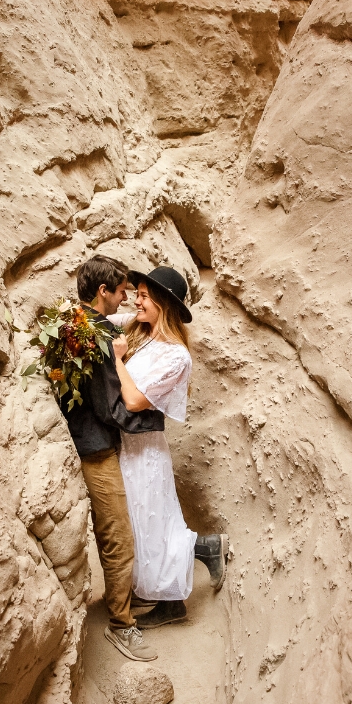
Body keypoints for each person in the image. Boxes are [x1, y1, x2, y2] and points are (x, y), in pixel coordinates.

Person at [109, 266, 227, 630]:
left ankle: (177, 596)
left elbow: (133, 400)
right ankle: (194, 562)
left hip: (145, 451)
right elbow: (102, 317)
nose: (136, 300)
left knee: (153, 526)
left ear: (162, 304)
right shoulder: (141, 332)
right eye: (138, 294)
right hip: (126, 446)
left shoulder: (176, 357)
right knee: (141, 526)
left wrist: (116, 358)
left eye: (144, 296)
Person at [62, 255, 163, 662]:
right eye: (121, 292)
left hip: (73, 439)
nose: (125, 300)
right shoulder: (99, 336)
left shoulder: (72, 322)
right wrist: (154, 417)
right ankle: (122, 624)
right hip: (96, 448)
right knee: (118, 537)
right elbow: (110, 408)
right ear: (103, 291)